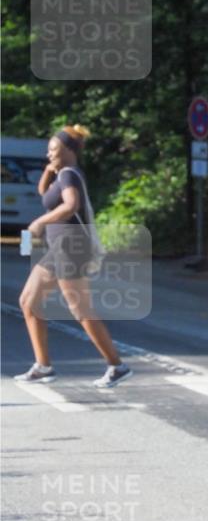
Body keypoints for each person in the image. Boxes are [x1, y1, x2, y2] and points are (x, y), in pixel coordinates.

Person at [14, 125, 132, 389]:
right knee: (29, 301)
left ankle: (116, 365)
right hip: (60, 250)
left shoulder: (69, 175)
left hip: (71, 249)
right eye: (49, 149)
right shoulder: (62, 174)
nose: (49, 153)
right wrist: (50, 166)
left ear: (70, 151)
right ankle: (43, 366)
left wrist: (39, 223)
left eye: (54, 149)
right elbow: (44, 194)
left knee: (80, 309)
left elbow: (71, 205)